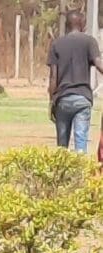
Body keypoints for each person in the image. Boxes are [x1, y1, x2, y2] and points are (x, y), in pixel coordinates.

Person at [47, 9, 101, 151]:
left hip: (63, 99)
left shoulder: (57, 44)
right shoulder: (89, 41)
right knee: (81, 140)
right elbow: (99, 64)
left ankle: (62, 171)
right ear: (82, 25)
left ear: (67, 25)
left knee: (61, 146)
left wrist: (51, 102)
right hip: (83, 98)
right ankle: (81, 171)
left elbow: (53, 78)